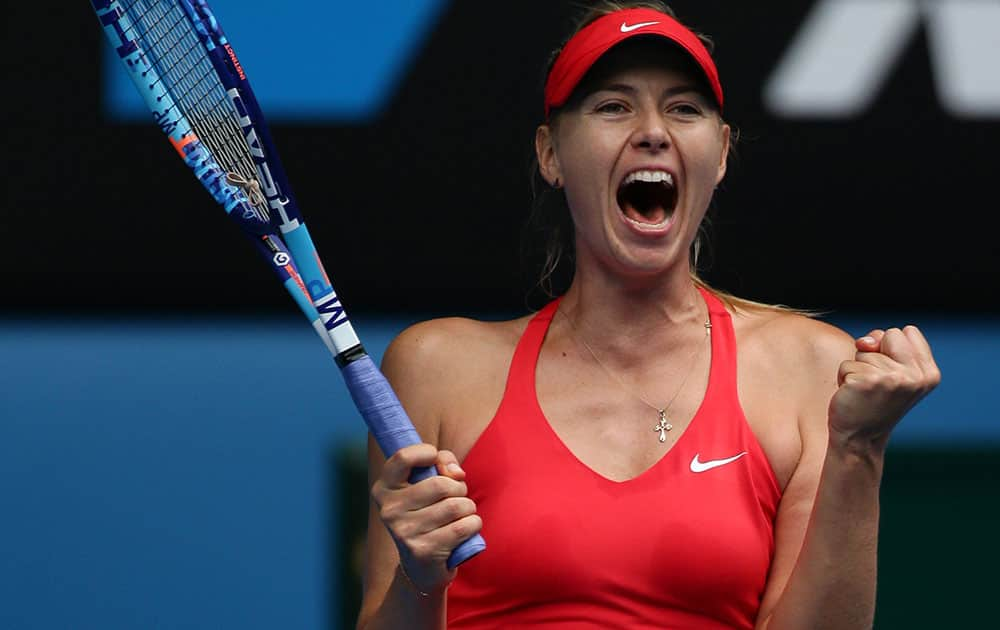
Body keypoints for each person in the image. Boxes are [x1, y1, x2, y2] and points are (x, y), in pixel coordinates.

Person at [356, 2, 941, 628]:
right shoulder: (438, 367)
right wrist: (421, 584)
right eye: (614, 106)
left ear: (719, 153)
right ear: (550, 153)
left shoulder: (810, 367)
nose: (653, 130)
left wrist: (860, 449)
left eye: (684, 108)